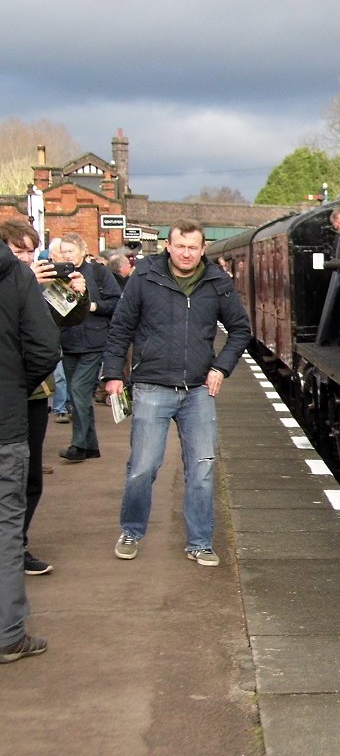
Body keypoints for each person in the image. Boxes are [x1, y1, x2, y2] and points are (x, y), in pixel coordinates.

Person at [101, 222, 251, 567]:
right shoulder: (145, 277)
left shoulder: (217, 283)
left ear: (202, 250)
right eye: (180, 246)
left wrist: (221, 367)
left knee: (201, 467)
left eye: (193, 247)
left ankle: (200, 541)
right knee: (143, 466)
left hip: (198, 389)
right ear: (168, 246)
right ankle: (131, 530)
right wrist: (112, 374)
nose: (186, 253)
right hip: (151, 385)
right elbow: (121, 326)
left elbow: (240, 330)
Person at [1, 221, 88, 577]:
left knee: (30, 476)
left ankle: (17, 545)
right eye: (17, 250)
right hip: (13, 389)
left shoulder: (35, 283)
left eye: (29, 251)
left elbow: (65, 322)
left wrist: (77, 295)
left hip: (33, 392)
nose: (25, 258)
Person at [0, 227, 62, 661]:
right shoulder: (17, 279)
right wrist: (14, 387)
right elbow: (45, 348)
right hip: (6, 423)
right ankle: (7, 635)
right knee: (6, 528)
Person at [53, 234, 122, 463]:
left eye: (70, 251)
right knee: (76, 395)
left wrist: (93, 305)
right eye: (63, 251)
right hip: (69, 341)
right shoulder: (57, 275)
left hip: (94, 342)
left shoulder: (99, 273)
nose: (66, 256)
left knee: (80, 391)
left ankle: (79, 445)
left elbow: (116, 302)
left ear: (83, 250)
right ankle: (91, 446)